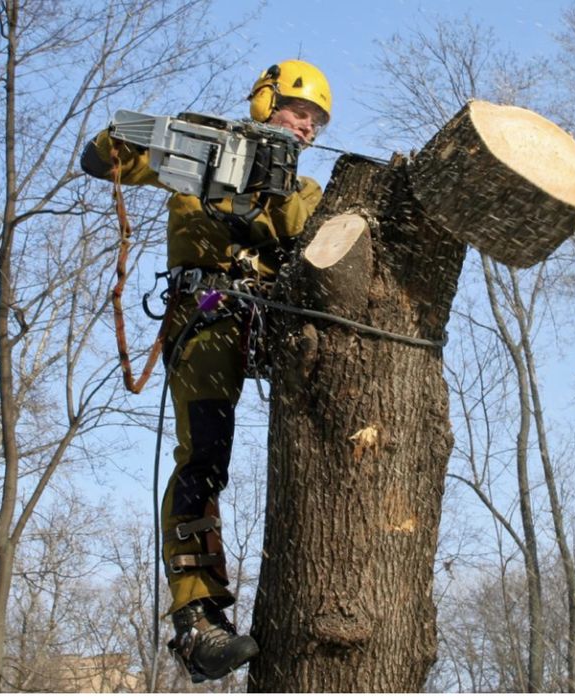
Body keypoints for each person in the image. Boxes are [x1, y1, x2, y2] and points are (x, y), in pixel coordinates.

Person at [80, 60, 332, 682]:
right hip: (211, 313)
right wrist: (167, 140)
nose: (308, 128)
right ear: (266, 101)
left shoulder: (305, 193)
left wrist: (268, 202)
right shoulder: (200, 161)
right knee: (204, 457)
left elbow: (314, 246)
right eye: (300, 112)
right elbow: (101, 159)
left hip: (277, 319)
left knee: (334, 423)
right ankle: (197, 621)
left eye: (317, 122)